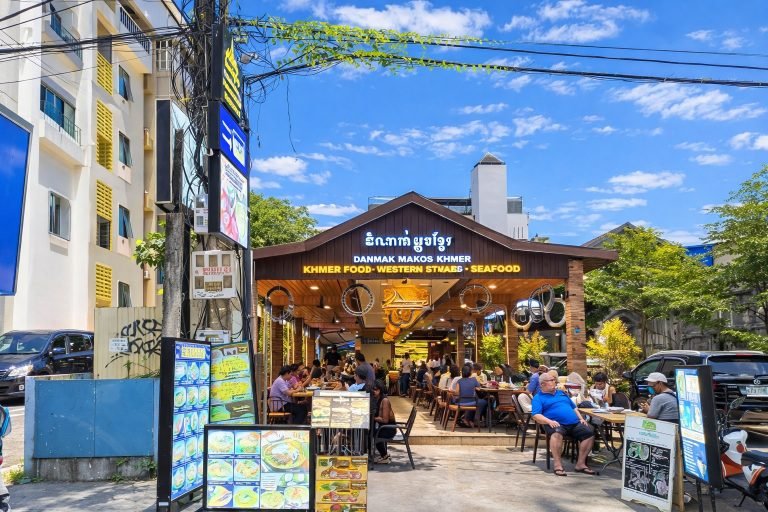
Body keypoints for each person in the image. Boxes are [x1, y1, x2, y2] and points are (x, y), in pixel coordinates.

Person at [531, 373, 596, 476]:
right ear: (543, 384)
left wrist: (581, 419)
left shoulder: (562, 393)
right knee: (556, 434)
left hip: (574, 423)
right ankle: (558, 465)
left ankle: (581, 464)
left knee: (589, 433)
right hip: (556, 424)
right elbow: (536, 415)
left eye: (554, 380)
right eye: (551, 380)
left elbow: (574, 407)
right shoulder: (538, 398)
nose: (554, 382)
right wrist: (549, 421)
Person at [372, 380, 397, 464]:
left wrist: (373, 418)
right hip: (383, 427)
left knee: (372, 434)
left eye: (376, 390)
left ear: (380, 390)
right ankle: (383, 454)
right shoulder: (377, 399)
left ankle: (385, 456)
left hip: (389, 429)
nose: (374, 392)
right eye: (373, 390)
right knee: (369, 432)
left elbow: (385, 420)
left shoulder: (384, 401)